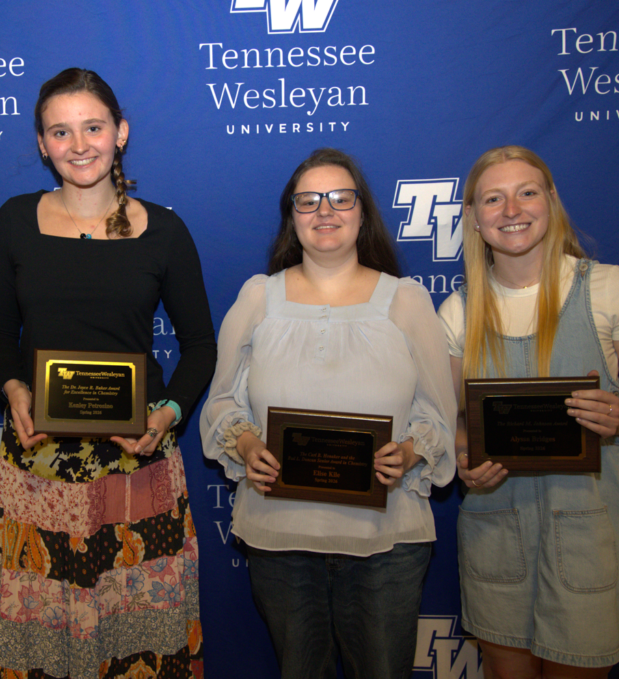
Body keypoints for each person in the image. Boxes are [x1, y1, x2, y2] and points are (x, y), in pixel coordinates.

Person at [0, 67, 215, 679]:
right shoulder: (13, 220)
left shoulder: (163, 230)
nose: (79, 144)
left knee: (139, 642)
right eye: (60, 131)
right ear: (40, 143)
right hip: (38, 464)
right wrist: (11, 389)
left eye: (93, 127)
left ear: (121, 133)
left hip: (137, 459)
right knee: (41, 647)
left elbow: (199, 348)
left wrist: (168, 415)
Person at [200, 148, 457, 679]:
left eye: (341, 198)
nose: (325, 211)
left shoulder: (407, 301)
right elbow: (222, 400)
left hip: (386, 538)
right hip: (280, 536)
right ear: (291, 217)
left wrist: (409, 452)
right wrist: (248, 446)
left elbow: (437, 410)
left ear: (363, 213)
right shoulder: (257, 297)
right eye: (308, 200)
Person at [437, 145, 619, 678]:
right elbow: (455, 418)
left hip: (588, 533)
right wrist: (462, 454)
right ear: (474, 220)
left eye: (527, 193)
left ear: (552, 202)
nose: (511, 210)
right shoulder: (457, 311)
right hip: (494, 530)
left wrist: (618, 415)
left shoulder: (611, 288)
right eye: (493, 199)